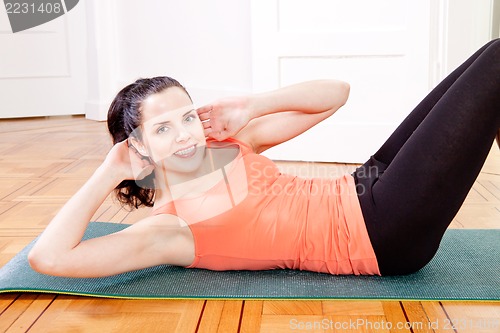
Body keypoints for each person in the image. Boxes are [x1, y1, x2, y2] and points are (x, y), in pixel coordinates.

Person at [28, 39, 500, 278]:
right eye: (163, 129)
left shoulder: (228, 145)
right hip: (381, 234)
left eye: (187, 116)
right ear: (139, 146)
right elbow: (48, 258)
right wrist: (109, 171)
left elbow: (336, 95)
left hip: (367, 184)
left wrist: (252, 105)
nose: (186, 135)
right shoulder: (168, 229)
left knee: (487, 57)